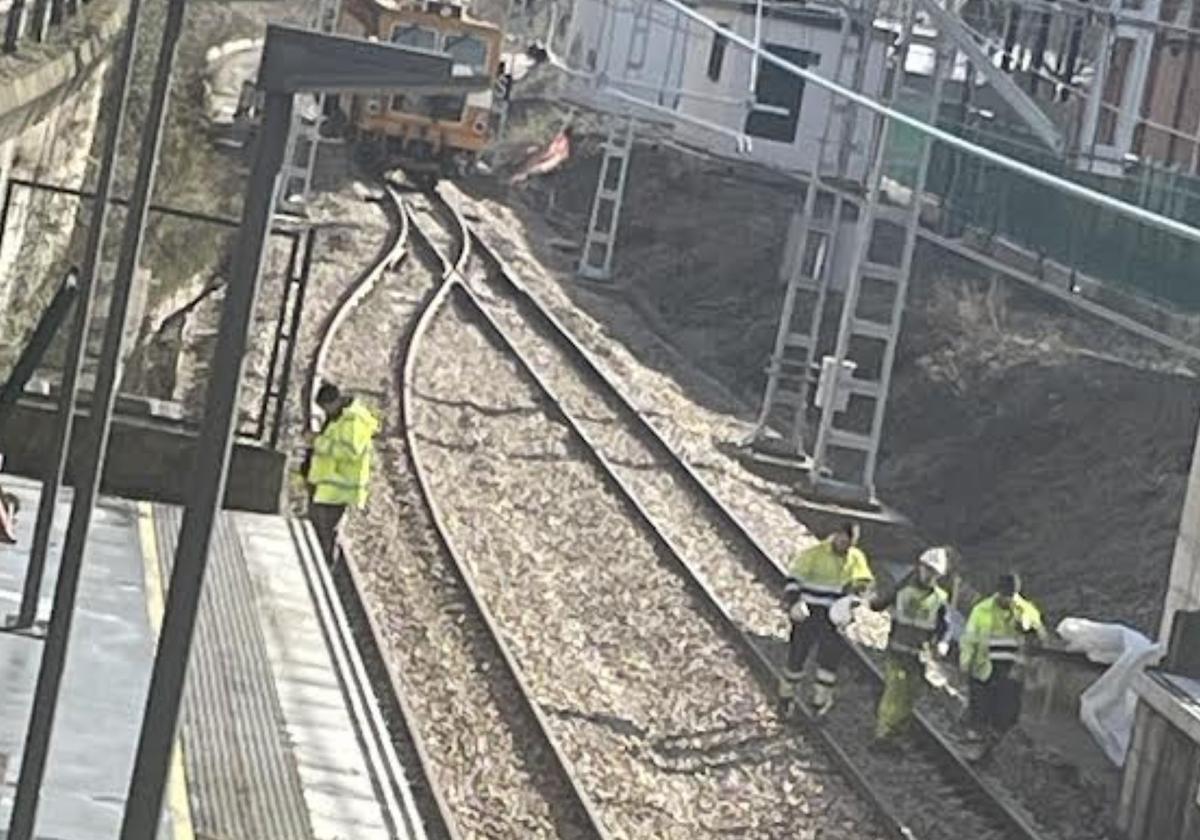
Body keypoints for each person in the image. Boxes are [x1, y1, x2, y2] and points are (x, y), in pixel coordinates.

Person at [782, 521, 874, 716]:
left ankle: (819, 702)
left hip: (833, 617)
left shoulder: (855, 558)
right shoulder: (814, 554)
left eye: (849, 542)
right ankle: (786, 698)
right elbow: (793, 579)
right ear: (836, 535)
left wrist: (855, 597)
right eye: (842, 538)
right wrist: (794, 603)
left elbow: (863, 582)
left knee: (829, 661)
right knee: (797, 656)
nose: (844, 544)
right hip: (808, 612)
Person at [959, 572, 1047, 758]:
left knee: (1006, 713)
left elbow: (1039, 643)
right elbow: (970, 638)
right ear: (997, 592)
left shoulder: (1027, 611)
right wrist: (966, 661)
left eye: (1011, 596)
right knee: (980, 709)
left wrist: (1031, 630)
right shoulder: (982, 610)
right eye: (1005, 595)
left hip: (1012, 672)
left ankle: (995, 748)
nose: (1008, 600)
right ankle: (978, 745)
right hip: (984, 668)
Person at [870, 547, 951, 748]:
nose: (929, 575)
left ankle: (896, 734)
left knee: (909, 696)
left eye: (934, 572)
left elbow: (944, 626)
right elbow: (878, 604)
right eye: (927, 569)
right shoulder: (903, 589)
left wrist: (942, 643)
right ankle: (883, 734)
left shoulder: (939, 599)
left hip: (918, 655)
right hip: (897, 650)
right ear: (920, 567)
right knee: (895, 691)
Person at [306, 383, 379, 563]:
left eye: (325, 408)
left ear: (335, 401)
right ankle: (319, 563)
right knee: (319, 529)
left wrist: (318, 442)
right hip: (327, 485)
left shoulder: (353, 421)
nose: (325, 412)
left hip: (338, 488)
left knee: (326, 533)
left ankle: (325, 568)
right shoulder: (339, 417)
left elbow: (350, 452)